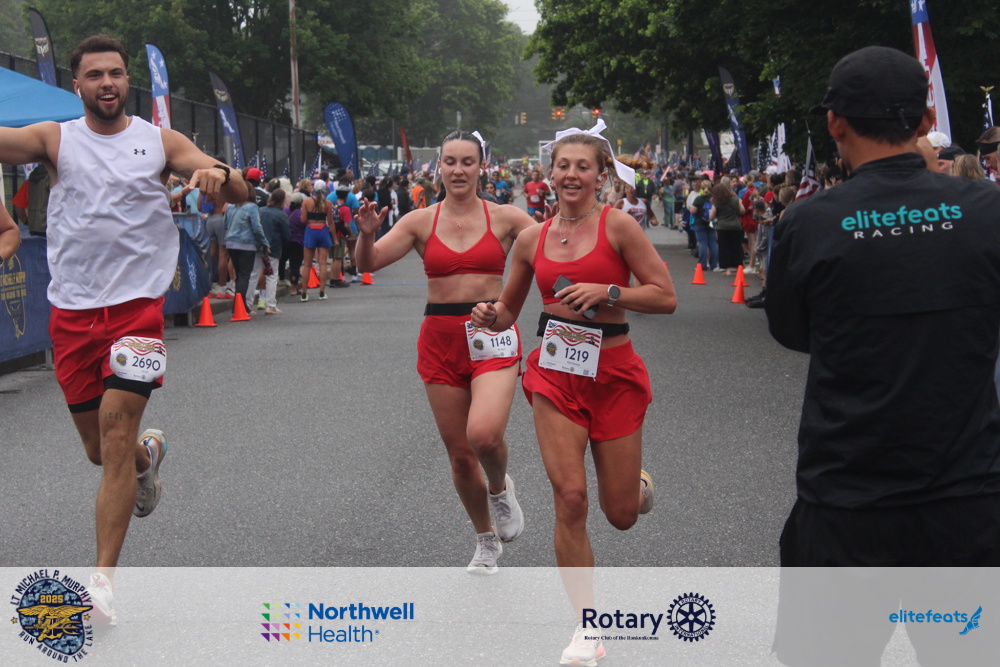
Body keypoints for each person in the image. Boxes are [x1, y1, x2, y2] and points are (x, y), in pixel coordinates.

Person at [0, 34, 247, 622]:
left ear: (126, 80)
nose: (106, 83)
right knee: (99, 450)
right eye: (94, 75)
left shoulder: (159, 141)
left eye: (114, 73)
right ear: (77, 86)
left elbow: (235, 186)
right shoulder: (56, 138)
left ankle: (101, 582)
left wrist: (217, 173)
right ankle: (147, 459)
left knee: (113, 442)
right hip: (72, 315)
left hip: (138, 313)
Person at [767, 45, 1000, 665]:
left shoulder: (808, 222)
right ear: (926, 119)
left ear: (834, 122)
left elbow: (792, 332)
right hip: (966, 498)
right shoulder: (987, 212)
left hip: (848, 498)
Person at [470, 121, 676, 665]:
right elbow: (508, 311)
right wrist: (490, 314)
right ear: (550, 173)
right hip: (556, 375)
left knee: (620, 513)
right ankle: (587, 627)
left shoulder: (618, 227)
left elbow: (665, 296)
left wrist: (610, 291)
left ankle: (635, 485)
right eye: (563, 166)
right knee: (570, 498)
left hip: (614, 374)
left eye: (583, 167)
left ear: (600, 175)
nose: (571, 175)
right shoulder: (532, 239)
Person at [354, 130, 533, 575]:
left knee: (484, 436)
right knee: (460, 454)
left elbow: (554, 249)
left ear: (481, 167)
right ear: (439, 167)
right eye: (450, 161)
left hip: (491, 335)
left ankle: (499, 488)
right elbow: (368, 263)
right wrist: (365, 236)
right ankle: (486, 540)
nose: (458, 169)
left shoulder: (506, 217)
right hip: (439, 341)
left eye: (467, 161)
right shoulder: (419, 221)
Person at [299, 186, 333, 301]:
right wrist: (335, 239)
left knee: (307, 265)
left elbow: (303, 220)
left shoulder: (306, 202)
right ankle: (322, 292)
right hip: (323, 230)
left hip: (311, 230)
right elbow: (331, 222)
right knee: (322, 263)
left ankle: (304, 294)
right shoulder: (328, 203)